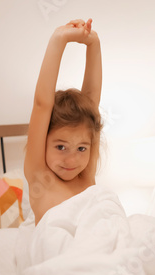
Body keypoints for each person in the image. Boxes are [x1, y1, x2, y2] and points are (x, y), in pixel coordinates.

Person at [24, 18, 103, 225]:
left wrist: (93, 43)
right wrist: (59, 38)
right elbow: (42, 104)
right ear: (44, 141)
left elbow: (92, 102)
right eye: (61, 147)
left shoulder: (85, 177)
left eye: (81, 149)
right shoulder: (40, 176)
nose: (71, 160)